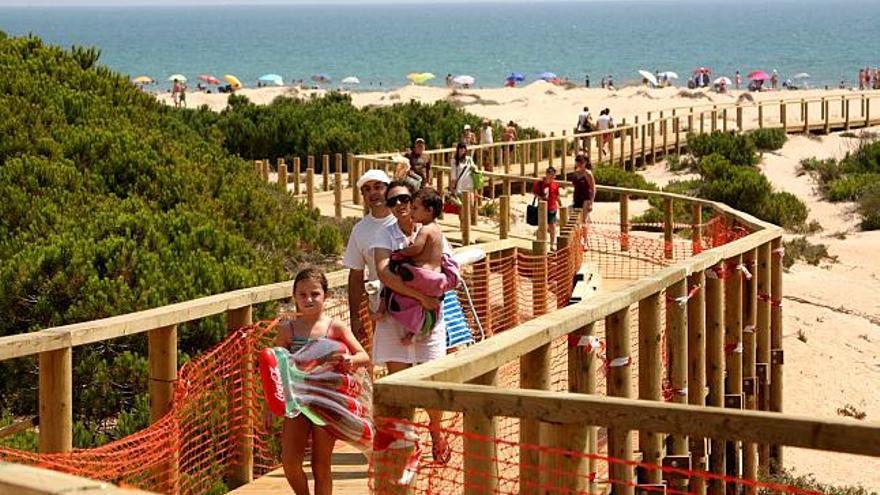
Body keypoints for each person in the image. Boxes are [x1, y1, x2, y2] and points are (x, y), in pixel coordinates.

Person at [265, 268, 370, 495]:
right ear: (294, 297)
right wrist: (270, 406)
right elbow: (275, 369)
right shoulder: (287, 330)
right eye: (302, 295)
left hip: (327, 402)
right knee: (290, 463)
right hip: (297, 402)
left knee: (320, 464)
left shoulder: (335, 327)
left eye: (314, 294)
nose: (308, 299)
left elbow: (363, 356)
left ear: (326, 296)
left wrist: (350, 360)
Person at [372, 181, 452, 464]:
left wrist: (428, 297)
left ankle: (435, 433)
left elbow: (447, 271)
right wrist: (420, 297)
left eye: (405, 199)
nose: (400, 205)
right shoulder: (383, 234)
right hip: (399, 316)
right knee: (400, 382)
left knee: (431, 380)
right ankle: (406, 443)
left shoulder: (430, 231)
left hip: (430, 315)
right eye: (392, 201)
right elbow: (384, 274)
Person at [385, 188, 455, 345]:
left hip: (423, 275)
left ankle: (387, 309)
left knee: (398, 291)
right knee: (426, 305)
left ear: (429, 211)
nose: (412, 211)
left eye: (415, 208)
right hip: (435, 277)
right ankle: (418, 332)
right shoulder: (438, 229)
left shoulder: (425, 229)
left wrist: (401, 252)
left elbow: (416, 248)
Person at [344, 169, 396, 343]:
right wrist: (355, 317)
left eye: (377, 187)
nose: (373, 192)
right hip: (380, 311)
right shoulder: (359, 230)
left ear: (388, 189)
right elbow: (356, 275)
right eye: (367, 189)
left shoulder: (405, 219)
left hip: (413, 305)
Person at [532, 166, 562, 250]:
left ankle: (552, 244)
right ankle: (540, 243)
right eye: (551, 175)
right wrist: (540, 197)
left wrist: (560, 204)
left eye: (554, 175)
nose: (553, 177)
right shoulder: (540, 183)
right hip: (542, 208)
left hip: (552, 207)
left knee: (552, 226)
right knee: (542, 227)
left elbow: (557, 196)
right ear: (547, 174)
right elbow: (534, 192)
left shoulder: (555, 184)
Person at [571, 154, 596, 250]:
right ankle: (578, 240)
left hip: (586, 198)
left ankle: (585, 242)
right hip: (577, 197)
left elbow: (593, 188)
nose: (580, 164)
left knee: (584, 220)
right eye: (578, 162)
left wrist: (591, 202)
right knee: (576, 220)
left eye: (581, 163)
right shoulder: (575, 173)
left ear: (585, 163)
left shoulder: (588, 173)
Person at [449, 141, 477, 216]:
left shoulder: (469, 159)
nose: (462, 150)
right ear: (458, 149)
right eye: (460, 148)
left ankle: (467, 222)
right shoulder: (454, 161)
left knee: (471, 204)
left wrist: (473, 168)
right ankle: (462, 223)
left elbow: (475, 168)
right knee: (461, 206)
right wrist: (452, 188)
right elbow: (453, 176)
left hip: (469, 185)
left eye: (463, 148)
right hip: (460, 187)